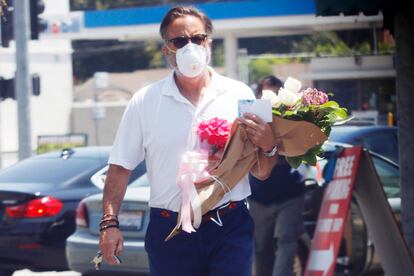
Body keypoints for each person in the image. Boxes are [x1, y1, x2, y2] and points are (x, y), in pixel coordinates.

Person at [99, 6, 279, 276]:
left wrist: (270, 144)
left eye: (197, 38)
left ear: (209, 43)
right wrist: (109, 224)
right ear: (166, 50)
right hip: (169, 229)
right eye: (179, 41)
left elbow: (262, 172)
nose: (190, 47)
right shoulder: (145, 101)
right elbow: (120, 167)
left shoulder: (240, 93)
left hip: (230, 225)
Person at [249, 75, 306, 276]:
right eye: (265, 94)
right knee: (261, 248)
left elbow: (303, 149)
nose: (269, 98)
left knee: (287, 241)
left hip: (289, 192)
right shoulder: (251, 119)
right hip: (259, 195)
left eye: (273, 93)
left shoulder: (293, 116)